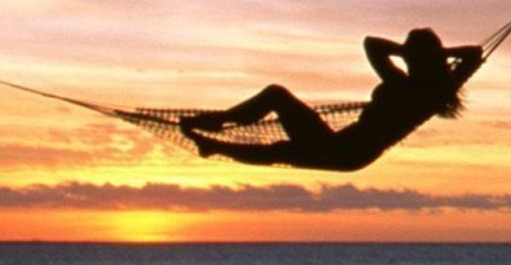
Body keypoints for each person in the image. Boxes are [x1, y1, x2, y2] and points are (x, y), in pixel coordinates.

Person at [179, 29, 483, 172]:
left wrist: (411, 53)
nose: (405, 56)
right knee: (282, 146)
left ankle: (217, 129)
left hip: (345, 151)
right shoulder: (439, 89)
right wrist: (426, 53)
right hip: (345, 148)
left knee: (277, 104)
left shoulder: (405, 85)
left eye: (410, 52)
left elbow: (371, 45)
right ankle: (214, 141)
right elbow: (473, 55)